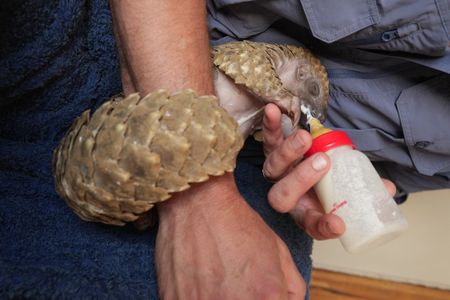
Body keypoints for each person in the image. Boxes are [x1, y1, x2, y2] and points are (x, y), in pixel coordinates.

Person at [0, 1, 448, 300]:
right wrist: (200, 197)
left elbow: (356, 160)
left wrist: (321, 182)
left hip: (239, 155)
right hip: (144, 28)